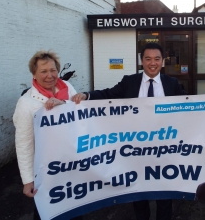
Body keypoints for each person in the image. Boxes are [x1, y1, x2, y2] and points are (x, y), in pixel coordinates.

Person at [72, 42, 185, 220]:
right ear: (141, 61)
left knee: (164, 198)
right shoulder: (129, 81)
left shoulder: (171, 84)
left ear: (163, 61)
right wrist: (87, 95)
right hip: (136, 150)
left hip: (164, 150)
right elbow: (108, 95)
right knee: (139, 196)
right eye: (148, 59)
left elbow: (188, 106)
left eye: (157, 59)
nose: (152, 63)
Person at [13, 50, 81, 220]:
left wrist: (64, 104)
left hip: (72, 161)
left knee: (76, 207)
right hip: (46, 169)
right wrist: (28, 179)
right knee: (48, 211)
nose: (50, 76)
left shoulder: (67, 87)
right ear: (34, 75)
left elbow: (79, 113)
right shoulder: (26, 103)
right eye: (43, 71)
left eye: (53, 70)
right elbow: (24, 144)